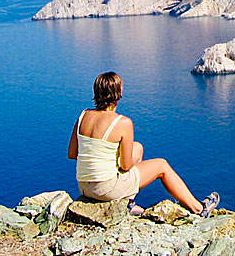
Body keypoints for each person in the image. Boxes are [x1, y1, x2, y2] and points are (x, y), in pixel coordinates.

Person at [68, 71, 219, 217]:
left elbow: (72, 154)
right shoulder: (122, 123)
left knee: (137, 147)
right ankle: (200, 209)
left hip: (84, 187)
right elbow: (126, 166)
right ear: (118, 94)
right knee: (161, 166)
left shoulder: (83, 115)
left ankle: (129, 204)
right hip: (105, 189)